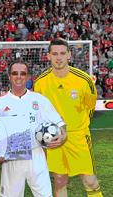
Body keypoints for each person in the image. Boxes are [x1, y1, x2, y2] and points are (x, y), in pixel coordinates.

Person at [34, 38, 103, 197]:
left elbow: (90, 107)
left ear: (69, 55)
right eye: (55, 54)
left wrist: (77, 125)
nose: (59, 57)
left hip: (78, 136)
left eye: (62, 53)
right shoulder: (40, 83)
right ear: (49, 56)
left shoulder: (84, 80)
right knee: (59, 180)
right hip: (54, 138)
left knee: (90, 180)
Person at [0, 61, 67, 197]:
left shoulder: (40, 100)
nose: (19, 77)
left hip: (36, 155)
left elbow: (60, 124)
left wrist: (62, 137)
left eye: (23, 74)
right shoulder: (0, 103)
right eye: (15, 73)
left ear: (28, 77)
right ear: (9, 76)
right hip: (12, 157)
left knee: (45, 195)